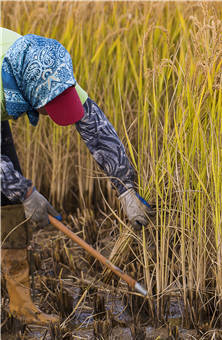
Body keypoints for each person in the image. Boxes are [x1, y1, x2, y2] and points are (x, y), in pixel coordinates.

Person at [0, 27, 151, 325]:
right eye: (49, 106)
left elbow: (96, 127)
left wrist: (125, 188)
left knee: (9, 200)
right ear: (28, 91)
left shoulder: (50, 70)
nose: (52, 112)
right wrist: (25, 192)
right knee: (12, 188)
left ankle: (21, 305)